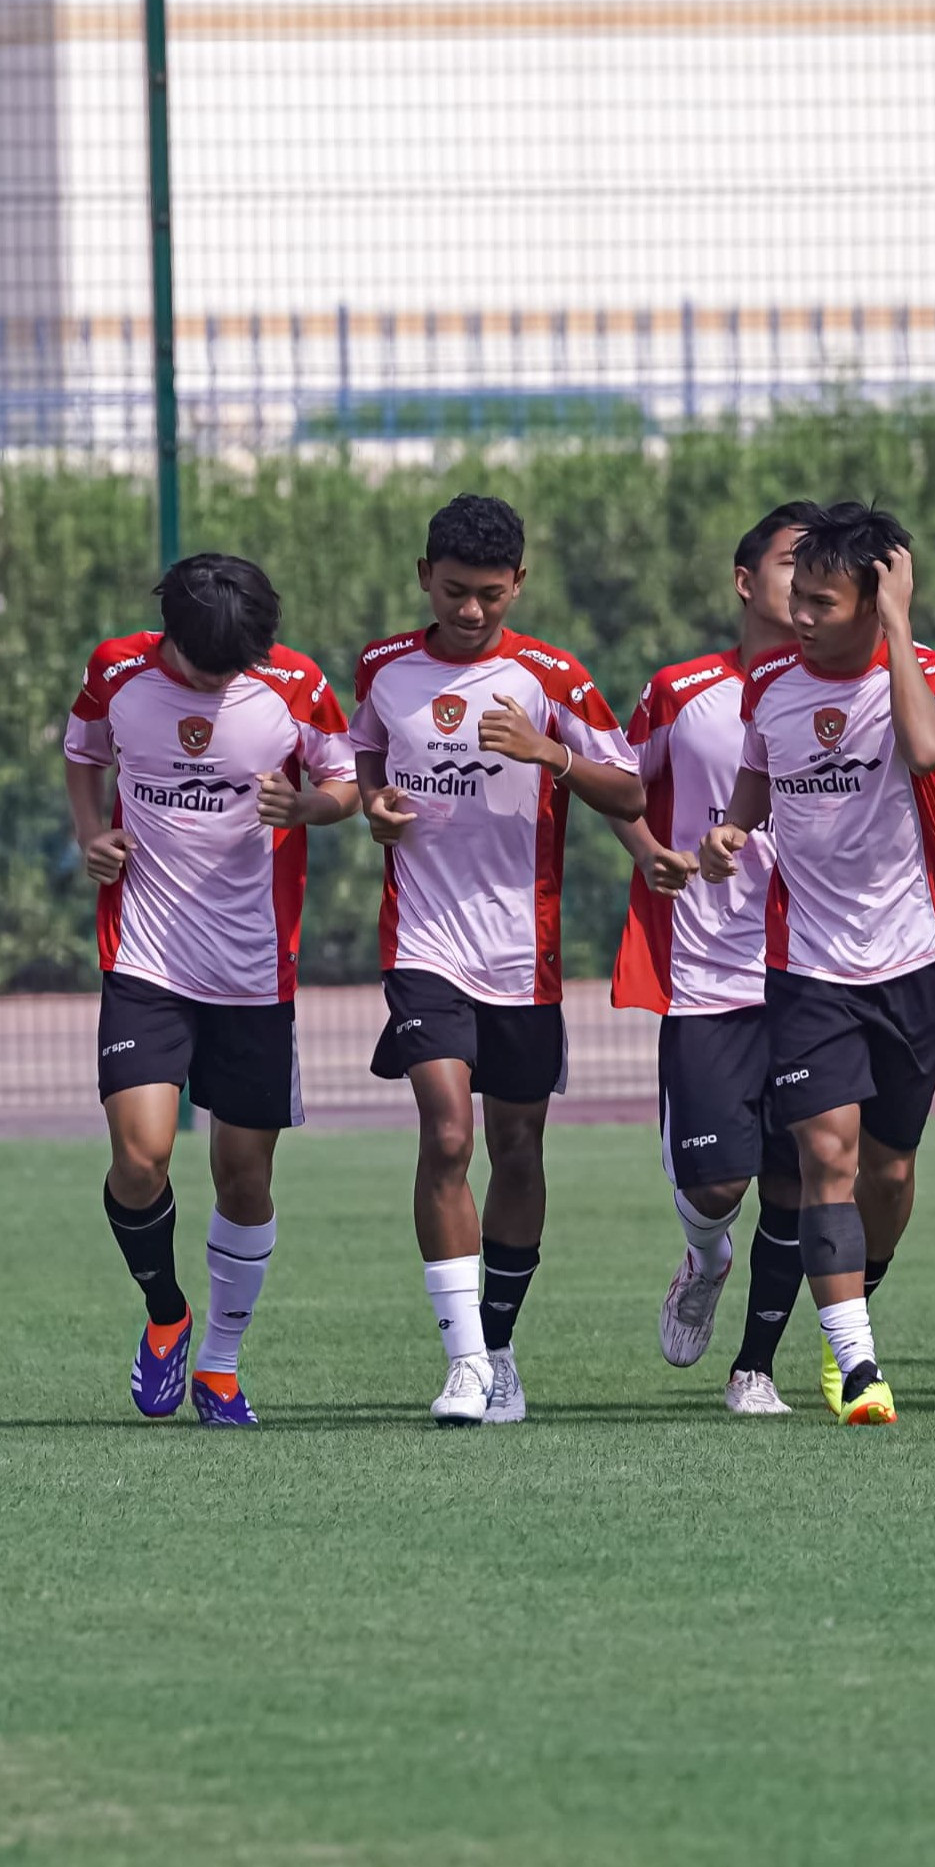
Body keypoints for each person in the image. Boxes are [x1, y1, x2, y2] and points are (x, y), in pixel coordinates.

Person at [350, 494, 643, 1427]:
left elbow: (629, 784)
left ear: (518, 582)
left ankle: (502, 1345)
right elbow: (364, 755)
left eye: (489, 594)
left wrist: (548, 752)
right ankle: (465, 1363)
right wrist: (373, 805)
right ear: (423, 579)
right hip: (424, 943)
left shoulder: (552, 676)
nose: (471, 612)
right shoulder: (384, 668)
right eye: (453, 592)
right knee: (446, 1135)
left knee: (517, 1148)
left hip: (524, 955)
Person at [691, 502, 935, 1426]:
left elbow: (931, 748)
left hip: (911, 961)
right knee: (825, 1155)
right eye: (797, 595)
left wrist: (896, 625)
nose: (801, 615)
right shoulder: (770, 684)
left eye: (825, 601)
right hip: (809, 965)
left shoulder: (926, 674)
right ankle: (858, 1368)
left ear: (873, 602)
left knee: (888, 1174)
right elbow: (756, 782)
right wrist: (730, 828)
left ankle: (849, 1303)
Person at [64, 552, 362, 1429]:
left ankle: (222, 1367)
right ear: (170, 639)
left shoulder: (297, 685)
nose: (220, 679)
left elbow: (345, 785)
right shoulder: (116, 669)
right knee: (141, 1157)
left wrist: (306, 809)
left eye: (236, 666)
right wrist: (94, 833)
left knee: (242, 1174)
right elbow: (83, 754)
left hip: (254, 971)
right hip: (147, 960)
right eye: (205, 666)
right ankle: (166, 1314)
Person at [614, 502, 822, 1416]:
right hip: (707, 974)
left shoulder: (851, 692)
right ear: (747, 582)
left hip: (819, 968)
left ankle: (756, 1368)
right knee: (714, 1183)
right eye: (789, 563)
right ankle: (703, 1259)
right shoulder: (681, 690)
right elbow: (619, 779)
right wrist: (646, 849)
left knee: (796, 1175)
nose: (809, 582)